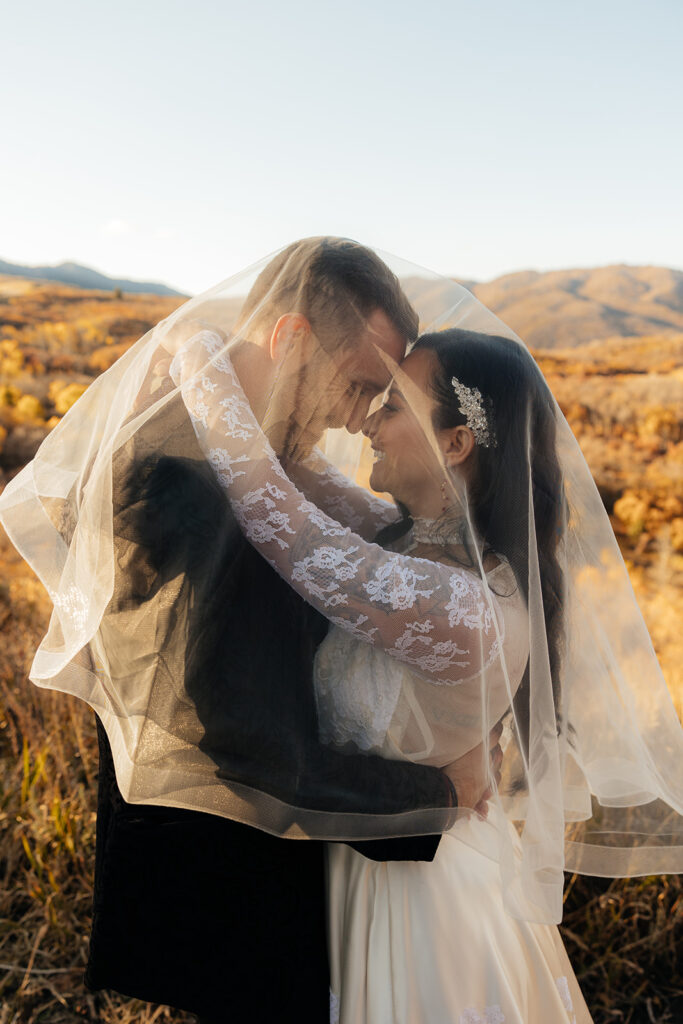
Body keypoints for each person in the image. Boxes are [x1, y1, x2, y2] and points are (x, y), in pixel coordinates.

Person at [2, 239, 682, 1020]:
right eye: (365, 388)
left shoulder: (451, 593)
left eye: (388, 402)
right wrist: (204, 365)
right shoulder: (393, 535)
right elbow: (229, 718)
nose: (362, 421)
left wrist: (198, 357)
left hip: (410, 894)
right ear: (292, 340)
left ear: (456, 445)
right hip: (291, 877)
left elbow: (280, 512)